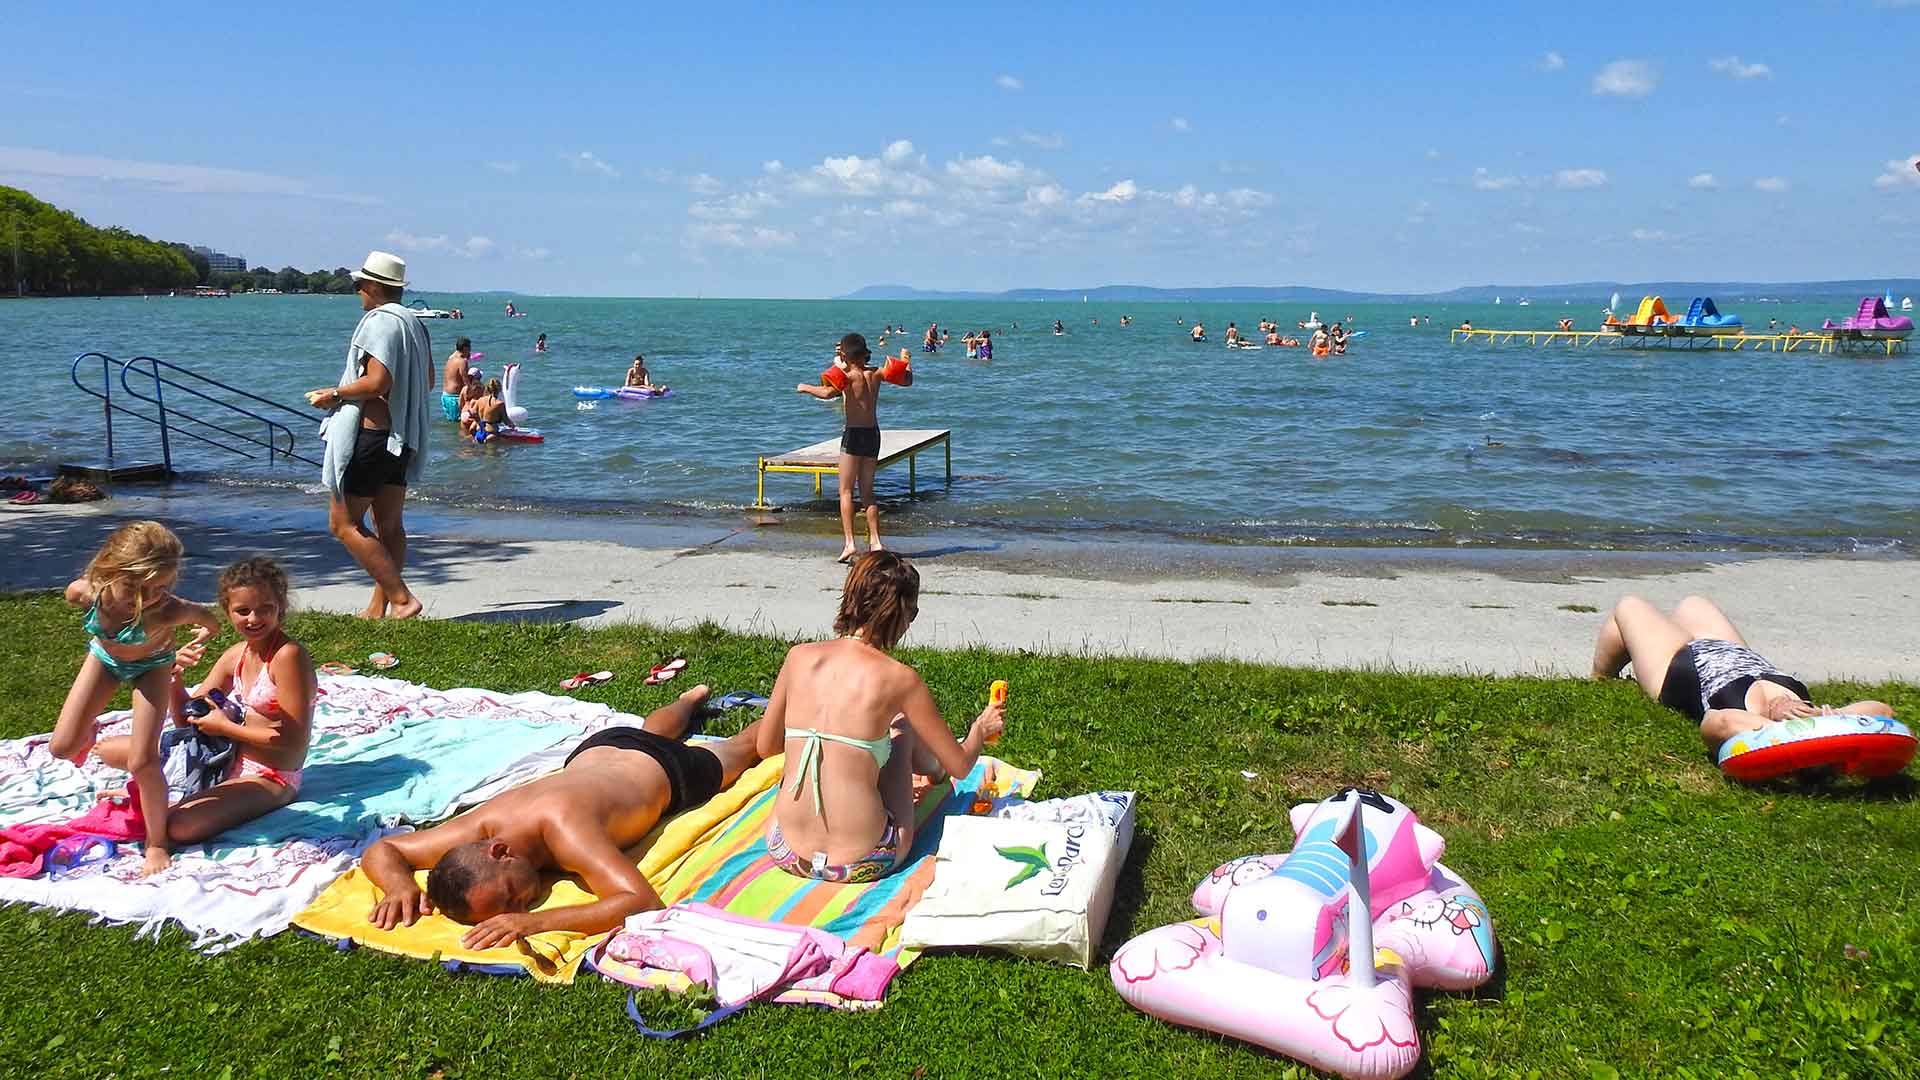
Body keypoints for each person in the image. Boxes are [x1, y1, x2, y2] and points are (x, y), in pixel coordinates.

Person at [362, 685, 765, 947]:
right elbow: (387, 850)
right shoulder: (480, 829)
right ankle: (688, 700)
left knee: (746, 748)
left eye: (510, 899)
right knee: (649, 730)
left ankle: (805, 694)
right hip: (601, 749)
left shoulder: (565, 832)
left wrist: (534, 925)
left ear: (499, 852)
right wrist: (398, 886)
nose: (518, 910)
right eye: (511, 911)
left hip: (670, 770)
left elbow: (640, 902)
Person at [756, 552, 1005, 883]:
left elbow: (766, 746)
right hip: (864, 860)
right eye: (912, 614)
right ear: (900, 612)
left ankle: (928, 767)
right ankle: (932, 768)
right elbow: (962, 765)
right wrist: (980, 728)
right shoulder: (899, 679)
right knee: (901, 727)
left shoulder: (798, 657)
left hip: (785, 851)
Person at [100, 557, 315, 842]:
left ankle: (162, 796)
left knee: (180, 826)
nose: (254, 619)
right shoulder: (236, 655)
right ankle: (163, 793)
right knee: (106, 749)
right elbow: (188, 720)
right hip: (222, 759)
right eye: (243, 610)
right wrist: (173, 676)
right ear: (227, 612)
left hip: (270, 775)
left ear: (280, 608)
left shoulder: (288, 657)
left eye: (266, 609)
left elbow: (291, 740)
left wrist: (225, 728)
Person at [50, 521, 221, 877]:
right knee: (62, 748)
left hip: (153, 668)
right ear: (110, 570)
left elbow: (208, 618)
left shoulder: (167, 609)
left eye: (159, 587)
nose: (148, 597)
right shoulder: (83, 593)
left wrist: (203, 633)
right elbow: (79, 596)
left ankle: (156, 841)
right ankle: (88, 726)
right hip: (106, 660)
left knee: (143, 761)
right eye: (137, 587)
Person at [1591, 595, 1895, 753]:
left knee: (1630, 606)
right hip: (1731, 654)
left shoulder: (1741, 717)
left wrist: (1778, 727)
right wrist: (1834, 720)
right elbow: (1883, 712)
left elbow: (1715, 724)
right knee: (1694, 604)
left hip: (1679, 666)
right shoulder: (1816, 719)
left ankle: (1600, 679)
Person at [307, 250, 431, 621]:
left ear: (375, 286)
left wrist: (335, 393)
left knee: (343, 523)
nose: (357, 290)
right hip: (402, 436)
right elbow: (426, 381)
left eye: (359, 283)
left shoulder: (380, 322)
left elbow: (379, 381)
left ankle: (402, 598)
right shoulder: (414, 323)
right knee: (389, 525)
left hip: (373, 435)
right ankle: (380, 608)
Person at [796, 333, 905, 562]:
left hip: (854, 435)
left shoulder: (847, 376)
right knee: (868, 492)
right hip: (873, 435)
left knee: (845, 491)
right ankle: (875, 542)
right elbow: (907, 379)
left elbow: (827, 393)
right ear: (864, 353)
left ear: (845, 355)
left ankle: (850, 544)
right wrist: (906, 360)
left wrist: (804, 387)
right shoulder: (877, 373)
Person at [441, 337, 472, 422]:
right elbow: (466, 381)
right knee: (460, 424)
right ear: (465, 348)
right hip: (454, 398)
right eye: (469, 348)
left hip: (445, 396)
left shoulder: (451, 358)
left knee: (452, 422)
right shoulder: (462, 361)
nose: (470, 351)